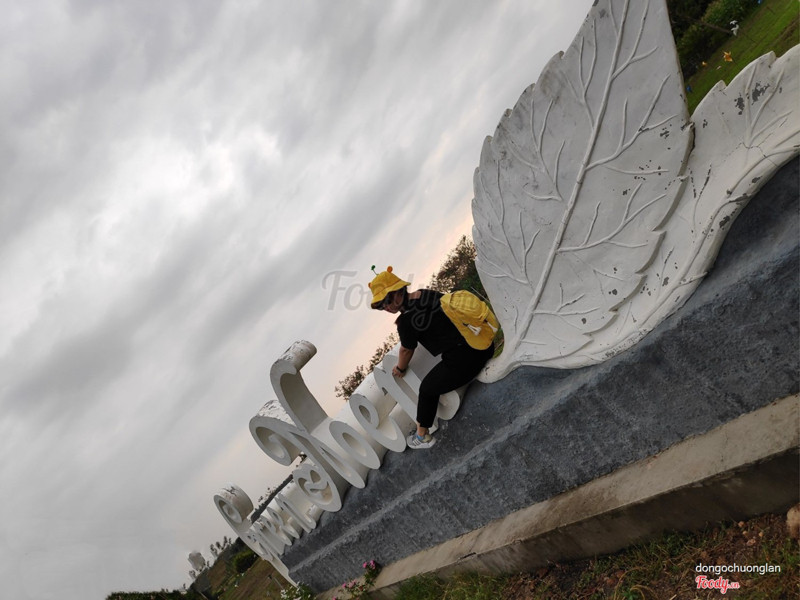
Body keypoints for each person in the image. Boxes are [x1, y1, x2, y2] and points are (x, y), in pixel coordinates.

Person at [369, 266, 494, 449]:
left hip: (466, 359)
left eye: (386, 301)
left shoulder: (406, 322)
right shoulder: (424, 293)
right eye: (381, 306)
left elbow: (406, 350)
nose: (386, 307)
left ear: (398, 292)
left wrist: (400, 368)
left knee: (427, 389)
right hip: (483, 344)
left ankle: (422, 436)